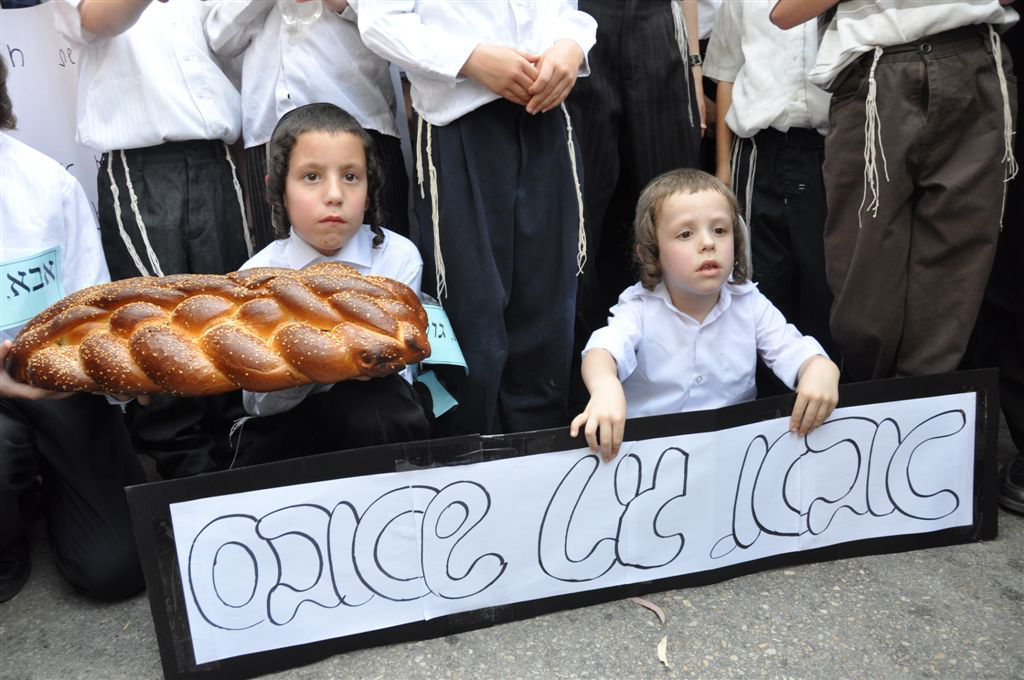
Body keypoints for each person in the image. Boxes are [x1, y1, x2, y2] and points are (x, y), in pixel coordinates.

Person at [354, 1, 597, 436]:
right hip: (460, 119)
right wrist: (471, 57)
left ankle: (539, 454)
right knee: (472, 317)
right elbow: (380, 22)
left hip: (547, 118)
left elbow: (568, 11)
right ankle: (468, 463)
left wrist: (572, 44)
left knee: (550, 306)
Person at [54, 0, 252, 478]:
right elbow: (94, 21)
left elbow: (226, 35)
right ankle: (188, 486)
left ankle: (246, 469)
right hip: (140, 164)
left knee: (234, 317)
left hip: (219, 155)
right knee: (161, 331)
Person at [770, 0, 1018, 383]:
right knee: (862, 271)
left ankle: (920, 411)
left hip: (972, 55)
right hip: (875, 72)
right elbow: (786, 13)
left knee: (956, 267)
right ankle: (875, 403)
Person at [570, 169, 839, 461]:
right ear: (651, 253)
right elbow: (603, 350)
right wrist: (605, 387)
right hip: (649, 463)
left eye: (720, 230)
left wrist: (821, 370)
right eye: (686, 233)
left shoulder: (748, 302)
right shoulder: (639, 308)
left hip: (730, 460)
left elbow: (793, 349)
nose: (708, 243)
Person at [0, 59, 144, 601]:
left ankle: (48, 480)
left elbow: (91, 313)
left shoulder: (46, 184)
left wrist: (118, 375)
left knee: (117, 570)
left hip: (62, 385)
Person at [231, 103, 430, 468]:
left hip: (378, 427)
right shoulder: (256, 275)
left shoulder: (397, 257)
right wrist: (319, 360)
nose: (335, 194)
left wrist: (309, 346)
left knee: (371, 403)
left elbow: (396, 368)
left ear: (369, 192)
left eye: (351, 177)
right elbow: (259, 401)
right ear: (277, 191)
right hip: (292, 433)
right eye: (311, 177)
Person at [565, 0, 704, 413]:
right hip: (579, 23)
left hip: (659, 20)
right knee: (579, 222)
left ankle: (683, 381)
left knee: (673, 211)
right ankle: (582, 392)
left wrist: (693, 67)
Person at [205, 0, 410, 251]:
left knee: (383, 258)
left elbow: (398, 22)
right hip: (270, 130)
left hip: (359, 118)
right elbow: (220, 38)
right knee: (279, 271)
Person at [704, 0, 836, 360]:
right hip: (759, 148)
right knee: (759, 279)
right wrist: (723, 167)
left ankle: (830, 392)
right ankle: (768, 401)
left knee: (827, 280)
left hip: (829, 146)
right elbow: (726, 73)